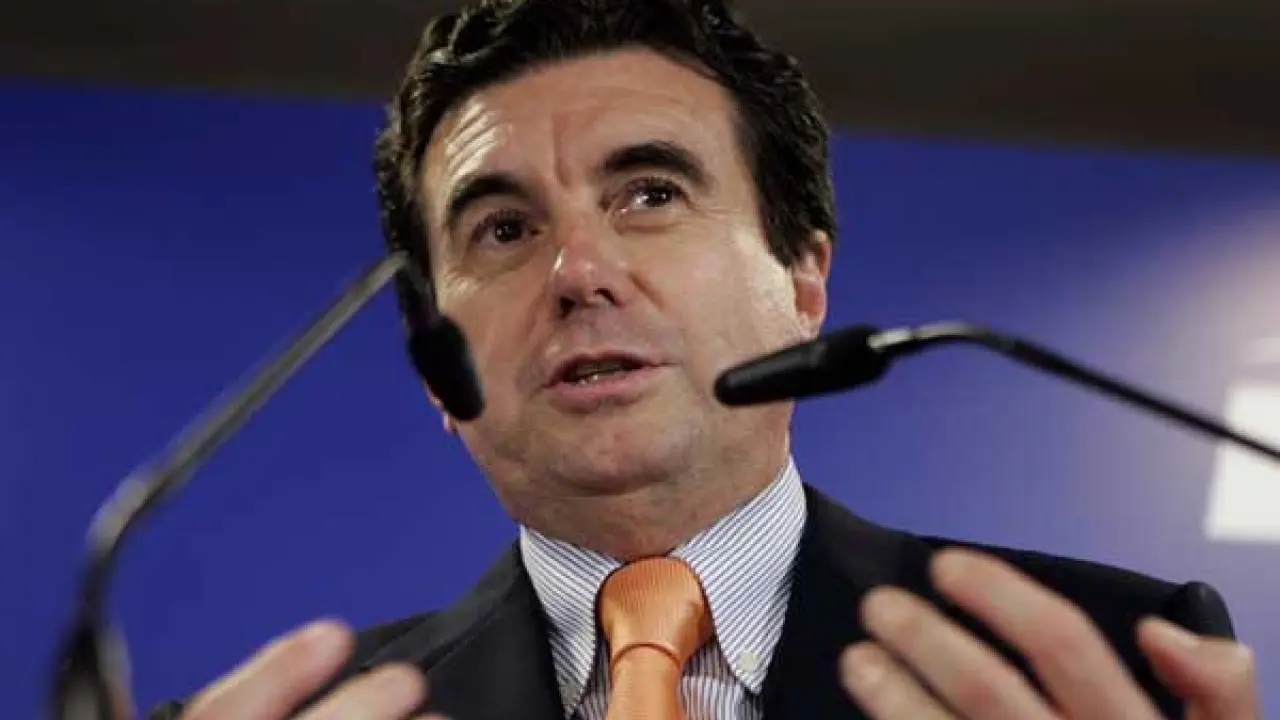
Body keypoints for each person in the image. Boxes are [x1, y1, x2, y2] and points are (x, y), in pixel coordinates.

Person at [150, 1, 1260, 718]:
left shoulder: (1114, 669)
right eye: (504, 228)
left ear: (803, 283)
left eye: (650, 194)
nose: (579, 271)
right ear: (436, 366)